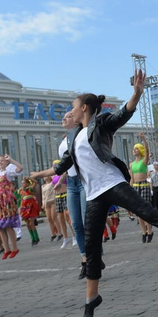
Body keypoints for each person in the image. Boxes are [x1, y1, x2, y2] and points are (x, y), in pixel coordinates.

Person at [32, 71, 158, 317]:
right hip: (94, 195)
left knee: (152, 214)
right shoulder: (73, 138)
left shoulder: (100, 123)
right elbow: (61, 166)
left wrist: (137, 94)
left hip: (113, 184)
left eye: (73, 108)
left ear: (84, 108)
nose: (70, 112)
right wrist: (38, 174)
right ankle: (91, 298)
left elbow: (123, 114)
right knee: (92, 246)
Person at [58, 111, 88, 276]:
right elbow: (65, 164)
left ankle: (91, 258)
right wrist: (61, 179)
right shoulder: (64, 141)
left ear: (76, 121)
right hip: (71, 183)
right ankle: (85, 256)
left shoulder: (82, 136)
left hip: (83, 180)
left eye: (69, 115)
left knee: (85, 221)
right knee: (75, 223)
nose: (65, 118)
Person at [130, 134, 155, 243]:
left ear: (140, 150)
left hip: (144, 185)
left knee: (146, 210)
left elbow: (147, 149)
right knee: (138, 212)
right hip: (135, 186)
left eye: (136, 148)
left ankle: (150, 230)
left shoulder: (144, 161)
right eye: (133, 149)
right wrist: (129, 189)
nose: (134, 150)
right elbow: (131, 177)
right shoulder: (131, 164)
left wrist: (144, 139)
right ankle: (143, 231)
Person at [18, 177, 40, 246]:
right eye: (22, 183)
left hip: (31, 207)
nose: (22, 184)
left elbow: (35, 182)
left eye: (24, 183)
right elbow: (21, 199)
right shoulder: (21, 191)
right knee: (27, 224)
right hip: (25, 208)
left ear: (27, 184)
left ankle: (36, 238)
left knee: (31, 223)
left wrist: (29, 178)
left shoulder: (30, 189)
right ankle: (32, 238)